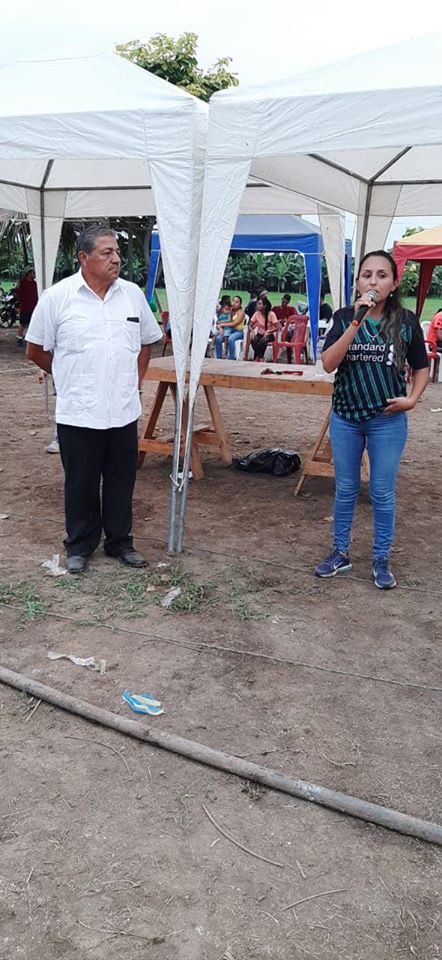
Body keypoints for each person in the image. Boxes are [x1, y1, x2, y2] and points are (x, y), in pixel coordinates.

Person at [26, 224, 162, 574]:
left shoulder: (132, 295)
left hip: (122, 410)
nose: (116, 259)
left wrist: (135, 381)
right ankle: (80, 545)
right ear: (83, 258)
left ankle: (120, 542)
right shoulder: (58, 297)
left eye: (116, 252)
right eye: (106, 252)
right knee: (80, 483)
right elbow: (35, 349)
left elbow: (146, 342)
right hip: (78, 411)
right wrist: (67, 375)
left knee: (121, 481)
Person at [314, 250, 429, 590]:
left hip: (386, 420)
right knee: (346, 489)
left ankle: (381, 559)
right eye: (367, 275)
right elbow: (329, 363)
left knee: (381, 491)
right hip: (346, 417)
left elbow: (421, 367)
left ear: (394, 284)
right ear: (357, 283)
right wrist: (357, 321)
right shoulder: (343, 317)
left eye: (381, 275)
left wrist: (412, 399)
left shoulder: (406, 322)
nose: (373, 282)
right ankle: (340, 553)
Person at [248, 296, 279, 361]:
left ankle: (258, 357)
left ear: (264, 306)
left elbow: (278, 327)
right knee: (253, 340)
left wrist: (269, 331)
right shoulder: (256, 313)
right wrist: (252, 331)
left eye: (259, 304)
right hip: (259, 334)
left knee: (262, 341)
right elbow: (250, 325)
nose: (257, 305)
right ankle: (261, 357)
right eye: (257, 303)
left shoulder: (271, 314)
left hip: (269, 335)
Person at [215, 295, 245, 359]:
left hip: (238, 332)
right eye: (233, 301)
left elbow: (234, 323)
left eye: (237, 302)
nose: (234, 303)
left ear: (240, 304)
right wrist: (220, 327)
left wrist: (222, 325)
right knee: (218, 338)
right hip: (228, 330)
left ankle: (231, 358)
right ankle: (218, 357)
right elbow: (220, 320)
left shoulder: (241, 313)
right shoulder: (229, 310)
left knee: (231, 339)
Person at [16, 265, 38, 346]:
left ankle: (30, 338)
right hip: (25, 307)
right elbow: (18, 294)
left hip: (34, 306)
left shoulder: (35, 284)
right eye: (33, 272)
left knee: (32, 323)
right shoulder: (22, 283)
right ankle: (19, 338)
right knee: (23, 323)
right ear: (28, 273)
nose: (34, 274)